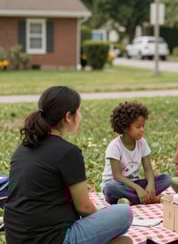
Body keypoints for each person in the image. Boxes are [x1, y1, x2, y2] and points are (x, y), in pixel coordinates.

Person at [4, 86, 133, 244]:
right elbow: (84, 208)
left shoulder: (23, 148)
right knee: (123, 212)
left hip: (16, 237)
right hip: (54, 238)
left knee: (123, 241)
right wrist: (102, 219)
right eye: (79, 111)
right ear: (68, 116)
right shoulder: (68, 152)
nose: (80, 116)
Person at [102, 101, 171, 205]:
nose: (142, 130)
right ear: (125, 127)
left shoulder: (142, 143)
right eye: (138, 127)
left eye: (143, 126)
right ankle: (151, 199)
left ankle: (129, 199)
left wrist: (151, 185)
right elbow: (117, 176)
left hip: (134, 184)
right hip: (118, 184)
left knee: (166, 179)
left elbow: (148, 169)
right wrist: (138, 188)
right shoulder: (114, 146)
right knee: (110, 187)